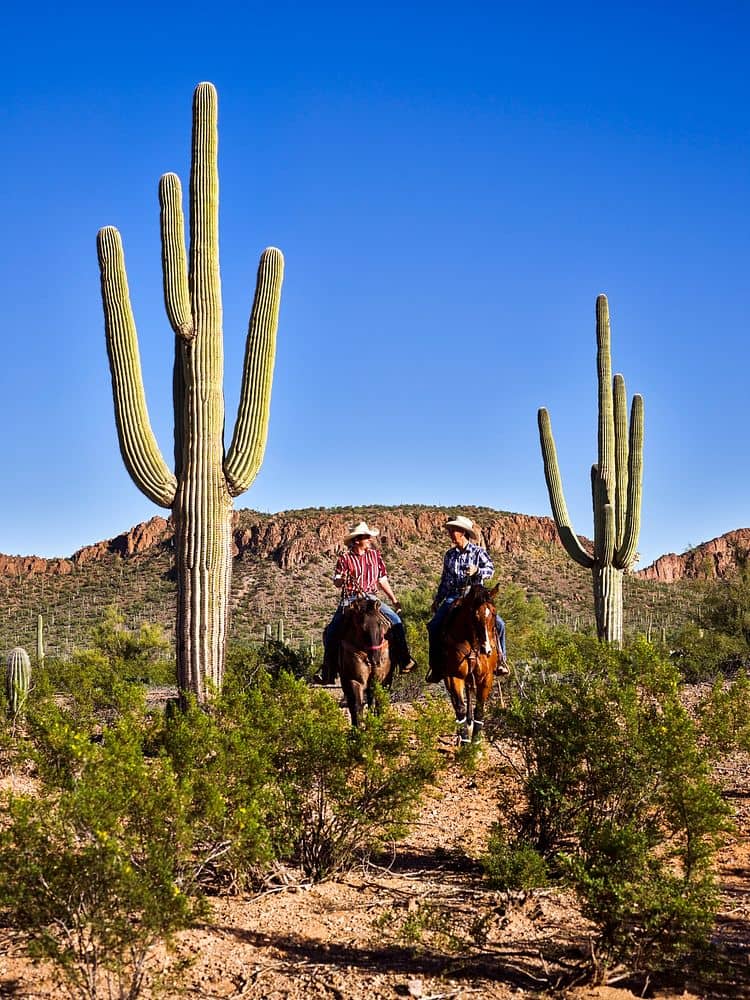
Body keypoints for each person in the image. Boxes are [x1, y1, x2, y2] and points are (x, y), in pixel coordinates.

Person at [321, 521, 416, 683]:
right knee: (332, 631)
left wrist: (394, 600)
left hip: (372, 598)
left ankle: (404, 659)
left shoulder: (375, 555)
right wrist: (342, 579)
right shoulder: (344, 558)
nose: (370, 539)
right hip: (350, 599)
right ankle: (328, 669)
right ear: (357, 540)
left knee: (396, 621)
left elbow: (382, 580)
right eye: (367, 537)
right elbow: (336, 582)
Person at [425, 515, 506, 684]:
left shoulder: (478, 552)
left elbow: (490, 569)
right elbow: (445, 580)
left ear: (463, 532)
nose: (451, 533)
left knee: (499, 624)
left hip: (475, 596)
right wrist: (438, 599)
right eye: (450, 530)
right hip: (455, 594)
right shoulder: (449, 555)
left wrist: (477, 570)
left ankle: (501, 660)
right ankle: (436, 666)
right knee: (434, 626)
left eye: (454, 530)